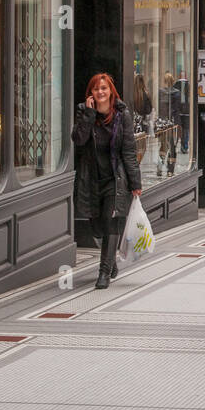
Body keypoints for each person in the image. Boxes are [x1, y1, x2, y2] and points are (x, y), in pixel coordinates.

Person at [72, 73, 142, 289]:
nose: (100, 92)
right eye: (96, 89)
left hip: (115, 179)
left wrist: (135, 183)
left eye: (104, 88)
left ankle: (103, 272)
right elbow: (78, 139)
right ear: (90, 93)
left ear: (111, 91)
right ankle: (110, 260)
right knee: (96, 226)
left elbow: (129, 150)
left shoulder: (122, 115)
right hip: (90, 179)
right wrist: (90, 114)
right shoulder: (84, 112)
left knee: (110, 222)